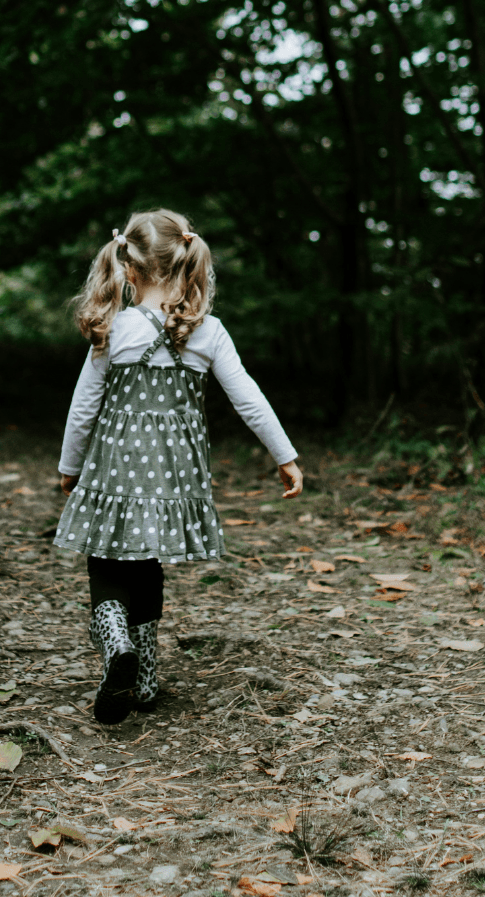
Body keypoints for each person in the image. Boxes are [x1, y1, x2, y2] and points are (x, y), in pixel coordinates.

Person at [55, 208, 302, 725]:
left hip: (115, 466)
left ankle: (115, 639)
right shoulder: (206, 331)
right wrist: (285, 456)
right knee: (149, 563)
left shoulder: (113, 327)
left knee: (106, 559)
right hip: (173, 474)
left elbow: (84, 406)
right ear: (187, 263)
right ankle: (143, 678)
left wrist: (69, 466)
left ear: (130, 269)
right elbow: (249, 399)